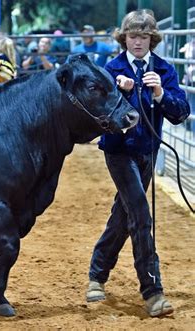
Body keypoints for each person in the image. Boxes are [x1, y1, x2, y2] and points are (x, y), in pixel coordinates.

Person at [86, 9, 190, 317]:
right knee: (141, 215)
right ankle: (153, 291)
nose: (138, 42)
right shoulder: (110, 68)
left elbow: (180, 112)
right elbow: (99, 117)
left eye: (144, 36)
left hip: (148, 151)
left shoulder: (164, 70)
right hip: (119, 152)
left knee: (125, 214)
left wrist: (159, 93)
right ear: (124, 38)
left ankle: (97, 274)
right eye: (133, 36)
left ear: (152, 39)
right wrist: (123, 93)